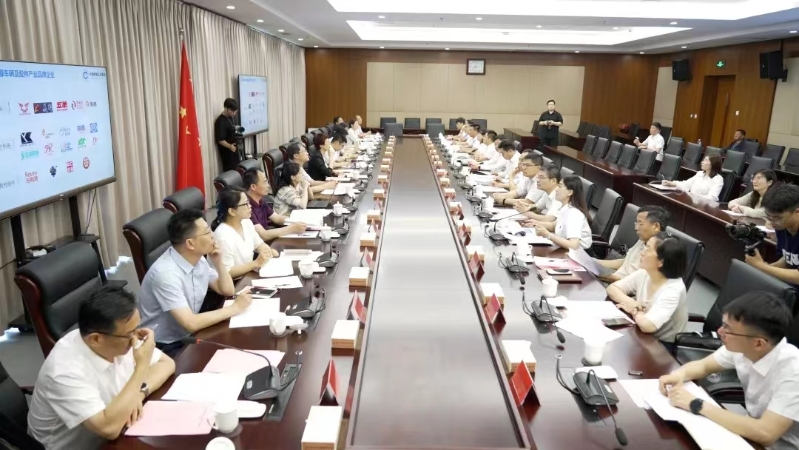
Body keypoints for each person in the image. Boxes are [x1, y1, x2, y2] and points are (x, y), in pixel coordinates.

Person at [27, 286, 176, 450]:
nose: (136, 338)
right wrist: (142, 367)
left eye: (137, 328)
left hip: (117, 435)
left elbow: (166, 364)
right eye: (130, 334)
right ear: (96, 339)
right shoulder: (64, 371)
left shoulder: (115, 338)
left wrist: (139, 393)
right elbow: (109, 429)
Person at [658, 292, 799, 448]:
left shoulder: (793, 372)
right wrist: (679, 374)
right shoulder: (744, 345)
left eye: (727, 328)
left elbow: (766, 433)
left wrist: (695, 404)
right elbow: (703, 366)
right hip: (749, 432)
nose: (719, 332)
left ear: (758, 343)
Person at [138, 209, 251, 357]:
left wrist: (218, 263)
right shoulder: (165, 275)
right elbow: (190, 323)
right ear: (190, 243)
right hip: (165, 345)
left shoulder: (197, 259)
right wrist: (235, 308)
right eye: (207, 232)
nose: (213, 235)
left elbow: (227, 290)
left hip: (190, 333)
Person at [606, 232, 688, 345]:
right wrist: (631, 302)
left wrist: (635, 310)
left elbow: (647, 326)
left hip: (662, 345)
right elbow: (612, 288)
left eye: (647, 249)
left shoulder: (673, 290)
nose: (642, 253)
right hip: (640, 333)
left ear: (661, 262)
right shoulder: (645, 273)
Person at [211, 187, 278, 278]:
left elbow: (259, 244)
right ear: (232, 211)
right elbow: (227, 272)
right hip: (234, 282)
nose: (250, 206)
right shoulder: (222, 236)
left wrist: (268, 251)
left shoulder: (246, 222)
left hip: (247, 275)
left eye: (248, 202)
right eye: (245, 204)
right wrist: (255, 263)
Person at [596, 205, 671, 283]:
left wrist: (607, 276)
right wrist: (595, 262)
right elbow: (626, 262)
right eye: (636, 223)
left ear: (656, 226)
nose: (636, 228)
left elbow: (638, 284)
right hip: (615, 278)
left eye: (641, 224)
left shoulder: (657, 254)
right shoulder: (643, 239)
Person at [745, 184, 799, 286]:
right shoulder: (782, 227)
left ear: (797, 212)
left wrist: (762, 267)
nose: (772, 223)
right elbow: (790, 258)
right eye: (769, 217)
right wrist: (767, 268)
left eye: (778, 218)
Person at [242, 169, 307, 242]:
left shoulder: (260, 201)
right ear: (253, 187)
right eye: (265, 182)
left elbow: (277, 218)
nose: (268, 186)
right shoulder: (246, 207)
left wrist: (298, 221)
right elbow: (264, 235)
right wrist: (292, 228)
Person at [533, 175, 593, 250]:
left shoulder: (575, 214)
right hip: (564, 248)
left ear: (570, 192)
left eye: (560, 186)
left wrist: (548, 235)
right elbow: (554, 226)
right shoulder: (565, 208)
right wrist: (534, 223)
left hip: (579, 253)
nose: (556, 190)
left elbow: (573, 245)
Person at [214, 98, 241, 172]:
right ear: (226, 108)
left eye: (235, 112)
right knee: (230, 171)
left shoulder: (232, 117)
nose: (234, 114)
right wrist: (230, 146)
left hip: (235, 149)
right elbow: (220, 140)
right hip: (227, 152)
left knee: (238, 170)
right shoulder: (220, 121)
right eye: (232, 111)